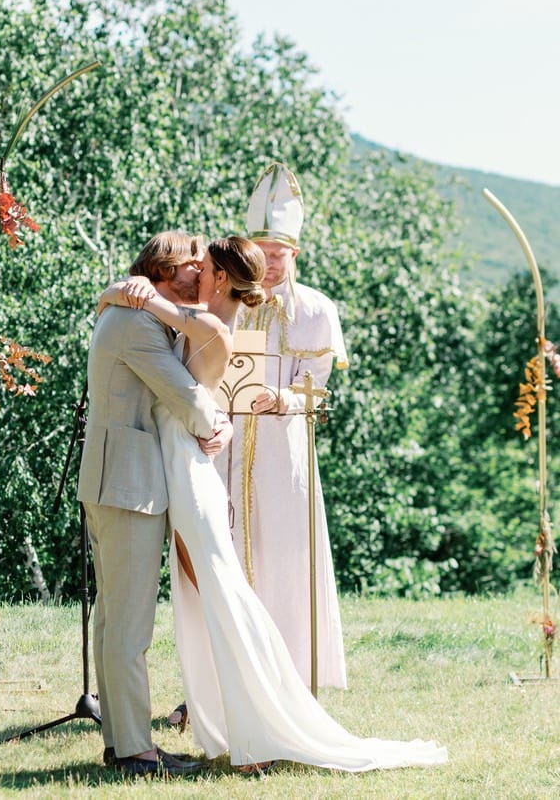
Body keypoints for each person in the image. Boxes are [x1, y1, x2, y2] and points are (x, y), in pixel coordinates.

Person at [100, 234, 447, 774]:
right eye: (190, 264)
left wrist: (132, 297)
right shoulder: (193, 315)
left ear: (217, 279)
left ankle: (254, 733)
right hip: (174, 471)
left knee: (224, 596)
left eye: (204, 266)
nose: (194, 271)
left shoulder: (209, 325)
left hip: (189, 477)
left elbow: (191, 393)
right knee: (208, 601)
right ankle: (226, 725)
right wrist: (120, 295)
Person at [77, 230, 233, 778]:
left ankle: (123, 743)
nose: (204, 275)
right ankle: (139, 751)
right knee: (129, 625)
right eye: (195, 265)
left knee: (114, 619)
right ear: (167, 269)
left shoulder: (139, 311)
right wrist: (219, 426)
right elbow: (183, 393)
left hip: (118, 482)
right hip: (128, 486)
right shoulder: (138, 322)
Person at [214, 161, 348, 692]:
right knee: (223, 561)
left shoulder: (316, 310)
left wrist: (283, 398)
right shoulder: (227, 306)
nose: (269, 265)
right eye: (261, 254)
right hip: (224, 453)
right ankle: (223, 684)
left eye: (278, 255)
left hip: (281, 458)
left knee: (285, 563)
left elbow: (317, 389)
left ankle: (291, 680)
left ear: (295, 253)